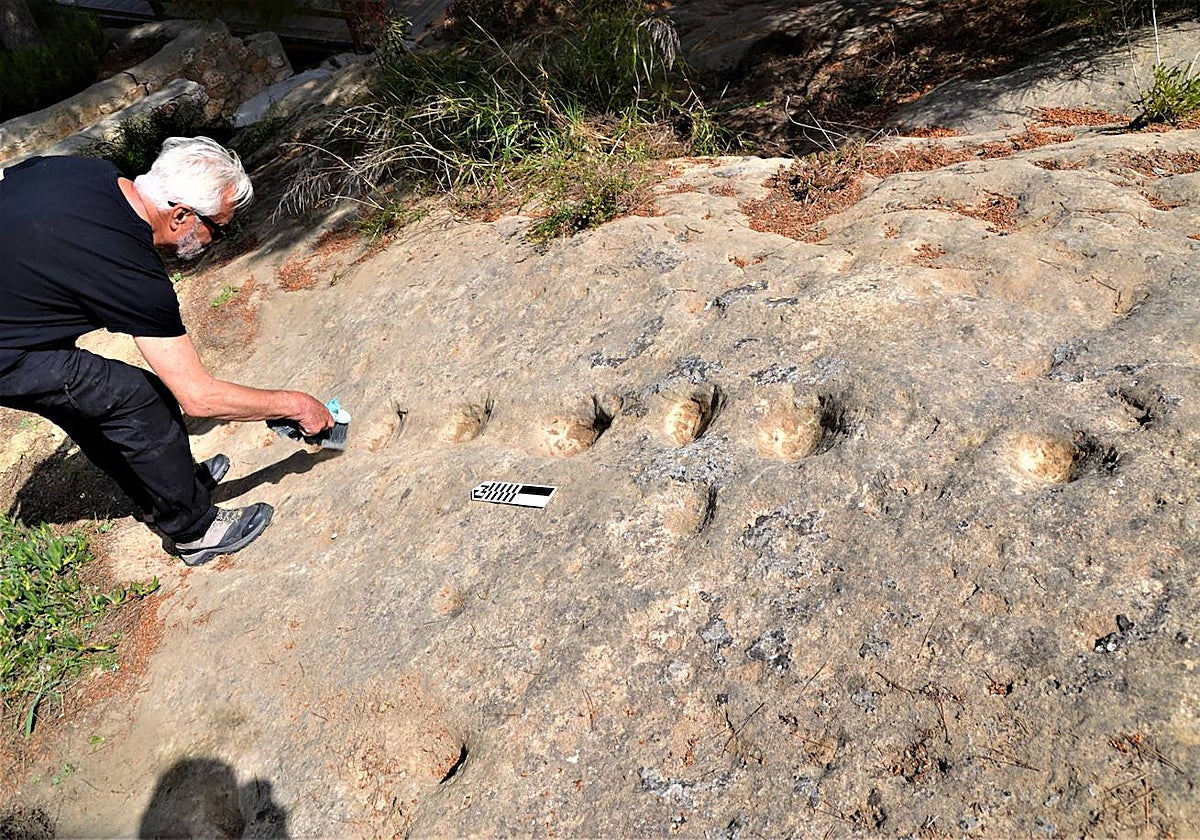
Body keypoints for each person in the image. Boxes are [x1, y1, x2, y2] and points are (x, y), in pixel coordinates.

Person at [0, 137, 333, 566]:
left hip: (16, 316)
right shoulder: (130, 269)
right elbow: (198, 396)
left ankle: (168, 490)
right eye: (219, 228)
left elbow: (15, 179)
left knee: (87, 403)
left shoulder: (88, 172)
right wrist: (294, 405)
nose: (218, 239)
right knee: (136, 399)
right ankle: (195, 529)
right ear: (180, 215)